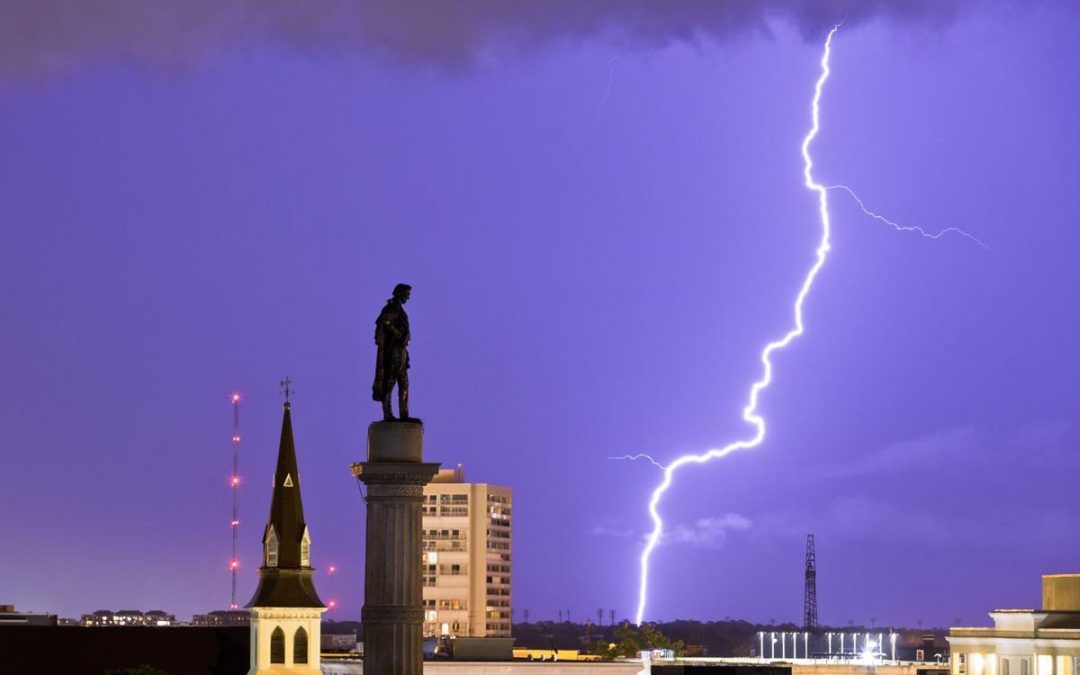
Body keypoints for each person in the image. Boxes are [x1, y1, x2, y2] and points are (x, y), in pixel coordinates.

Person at [372, 283, 411, 420]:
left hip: (402, 351)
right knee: (390, 381)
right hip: (394, 350)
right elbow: (385, 322)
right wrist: (398, 333)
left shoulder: (399, 309)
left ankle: (404, 413)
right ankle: (387, 413)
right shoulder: (392, 308)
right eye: (406, 293)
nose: (408, 296)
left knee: (404, 383)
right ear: (399, 293)